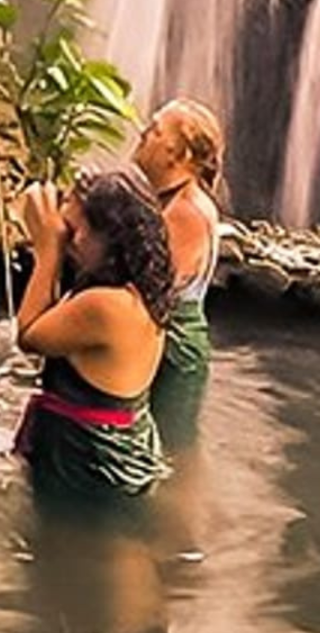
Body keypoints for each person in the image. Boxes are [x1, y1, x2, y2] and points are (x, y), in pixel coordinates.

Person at [14, 168, 175, 501]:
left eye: (73, 232)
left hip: (95, 460)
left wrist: (48, 252)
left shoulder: (106, 306)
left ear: (110, 236)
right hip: (115, 448)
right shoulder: (139, 286)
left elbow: (29, 335)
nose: (67, 241)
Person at [133, 98, 223, 379]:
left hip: (173, 352)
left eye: (156, 130)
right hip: (155, 341)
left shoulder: (188, 213)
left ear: (178, 156)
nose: (143, 133)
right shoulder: (167, 198)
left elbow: (154, 291)